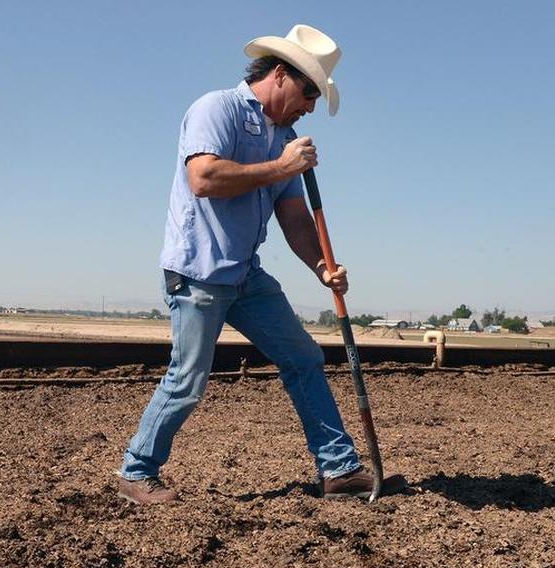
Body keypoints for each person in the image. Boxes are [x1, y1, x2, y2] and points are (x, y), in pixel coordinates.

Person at [117, 24, 406, 505]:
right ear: (279, 74)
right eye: (309, 91)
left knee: (304, 356)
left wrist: (321, 265)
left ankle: (338, 469)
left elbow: (294, 217)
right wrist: (283, 167)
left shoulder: (284, 137)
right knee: (188, 380)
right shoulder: (217, 108)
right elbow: (204, 177)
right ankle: (136, 471)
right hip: (198, 272)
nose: (311, 105)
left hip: (246, 275)